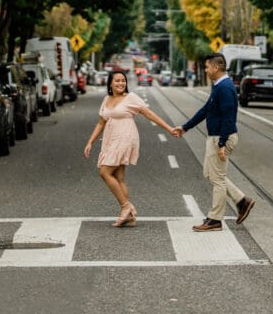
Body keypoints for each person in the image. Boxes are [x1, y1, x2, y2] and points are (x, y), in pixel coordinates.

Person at [84, 70, 177, 227]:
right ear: (110, 83)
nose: (121, 83)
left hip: (125, 137)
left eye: (123, 81)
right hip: (110, 139)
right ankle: (130, 217)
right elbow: (101, 122)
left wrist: (169, 129)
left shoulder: (131, 98)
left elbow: (149, 114)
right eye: (117, 81)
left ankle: (126, 207)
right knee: (119, 177)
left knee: (104, 172)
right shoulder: (107, 99)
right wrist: (90, 142)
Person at [173, 53, 255, 231]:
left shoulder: (225, 87)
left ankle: (215, 219)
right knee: (210, 174)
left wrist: (222, 143)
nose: (206, 70)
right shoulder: (219, 86)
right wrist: (185, 127)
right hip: (216, 137)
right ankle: (242, 201)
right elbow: (206, 110)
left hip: (220, 137)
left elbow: (229, 117)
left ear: (216, 67)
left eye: (207, 67)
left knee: (217, 179)